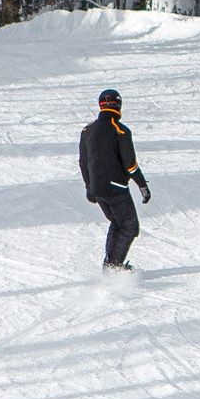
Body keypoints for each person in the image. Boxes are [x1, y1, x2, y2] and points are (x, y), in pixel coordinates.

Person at [78, 87, 152, 272]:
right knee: (129, 226)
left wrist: (89, 187)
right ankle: (114, 267)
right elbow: (130, 165)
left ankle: (109, 265)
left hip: (97, 187)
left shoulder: (87, 130)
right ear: (118, 105)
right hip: (116, 187)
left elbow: (83, 162)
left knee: (117, 223)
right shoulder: (121, 130)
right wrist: (143, 186)